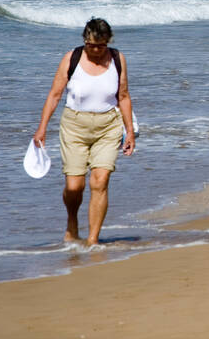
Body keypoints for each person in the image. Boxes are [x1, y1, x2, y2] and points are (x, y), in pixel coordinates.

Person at [33, 18, 135, 247]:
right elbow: (54, 95)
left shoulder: (117, 59)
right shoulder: (72, 58)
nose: (96, 50)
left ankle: (92, 240)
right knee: (74, 187)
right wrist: (42, 128)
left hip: (108, 125)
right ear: (84, 41)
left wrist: (129, 132)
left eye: (101, 45)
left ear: (108, 42)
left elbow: (124, 96)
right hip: (74, 126)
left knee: (100, 180)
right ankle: (72, 224)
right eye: (91, 45)